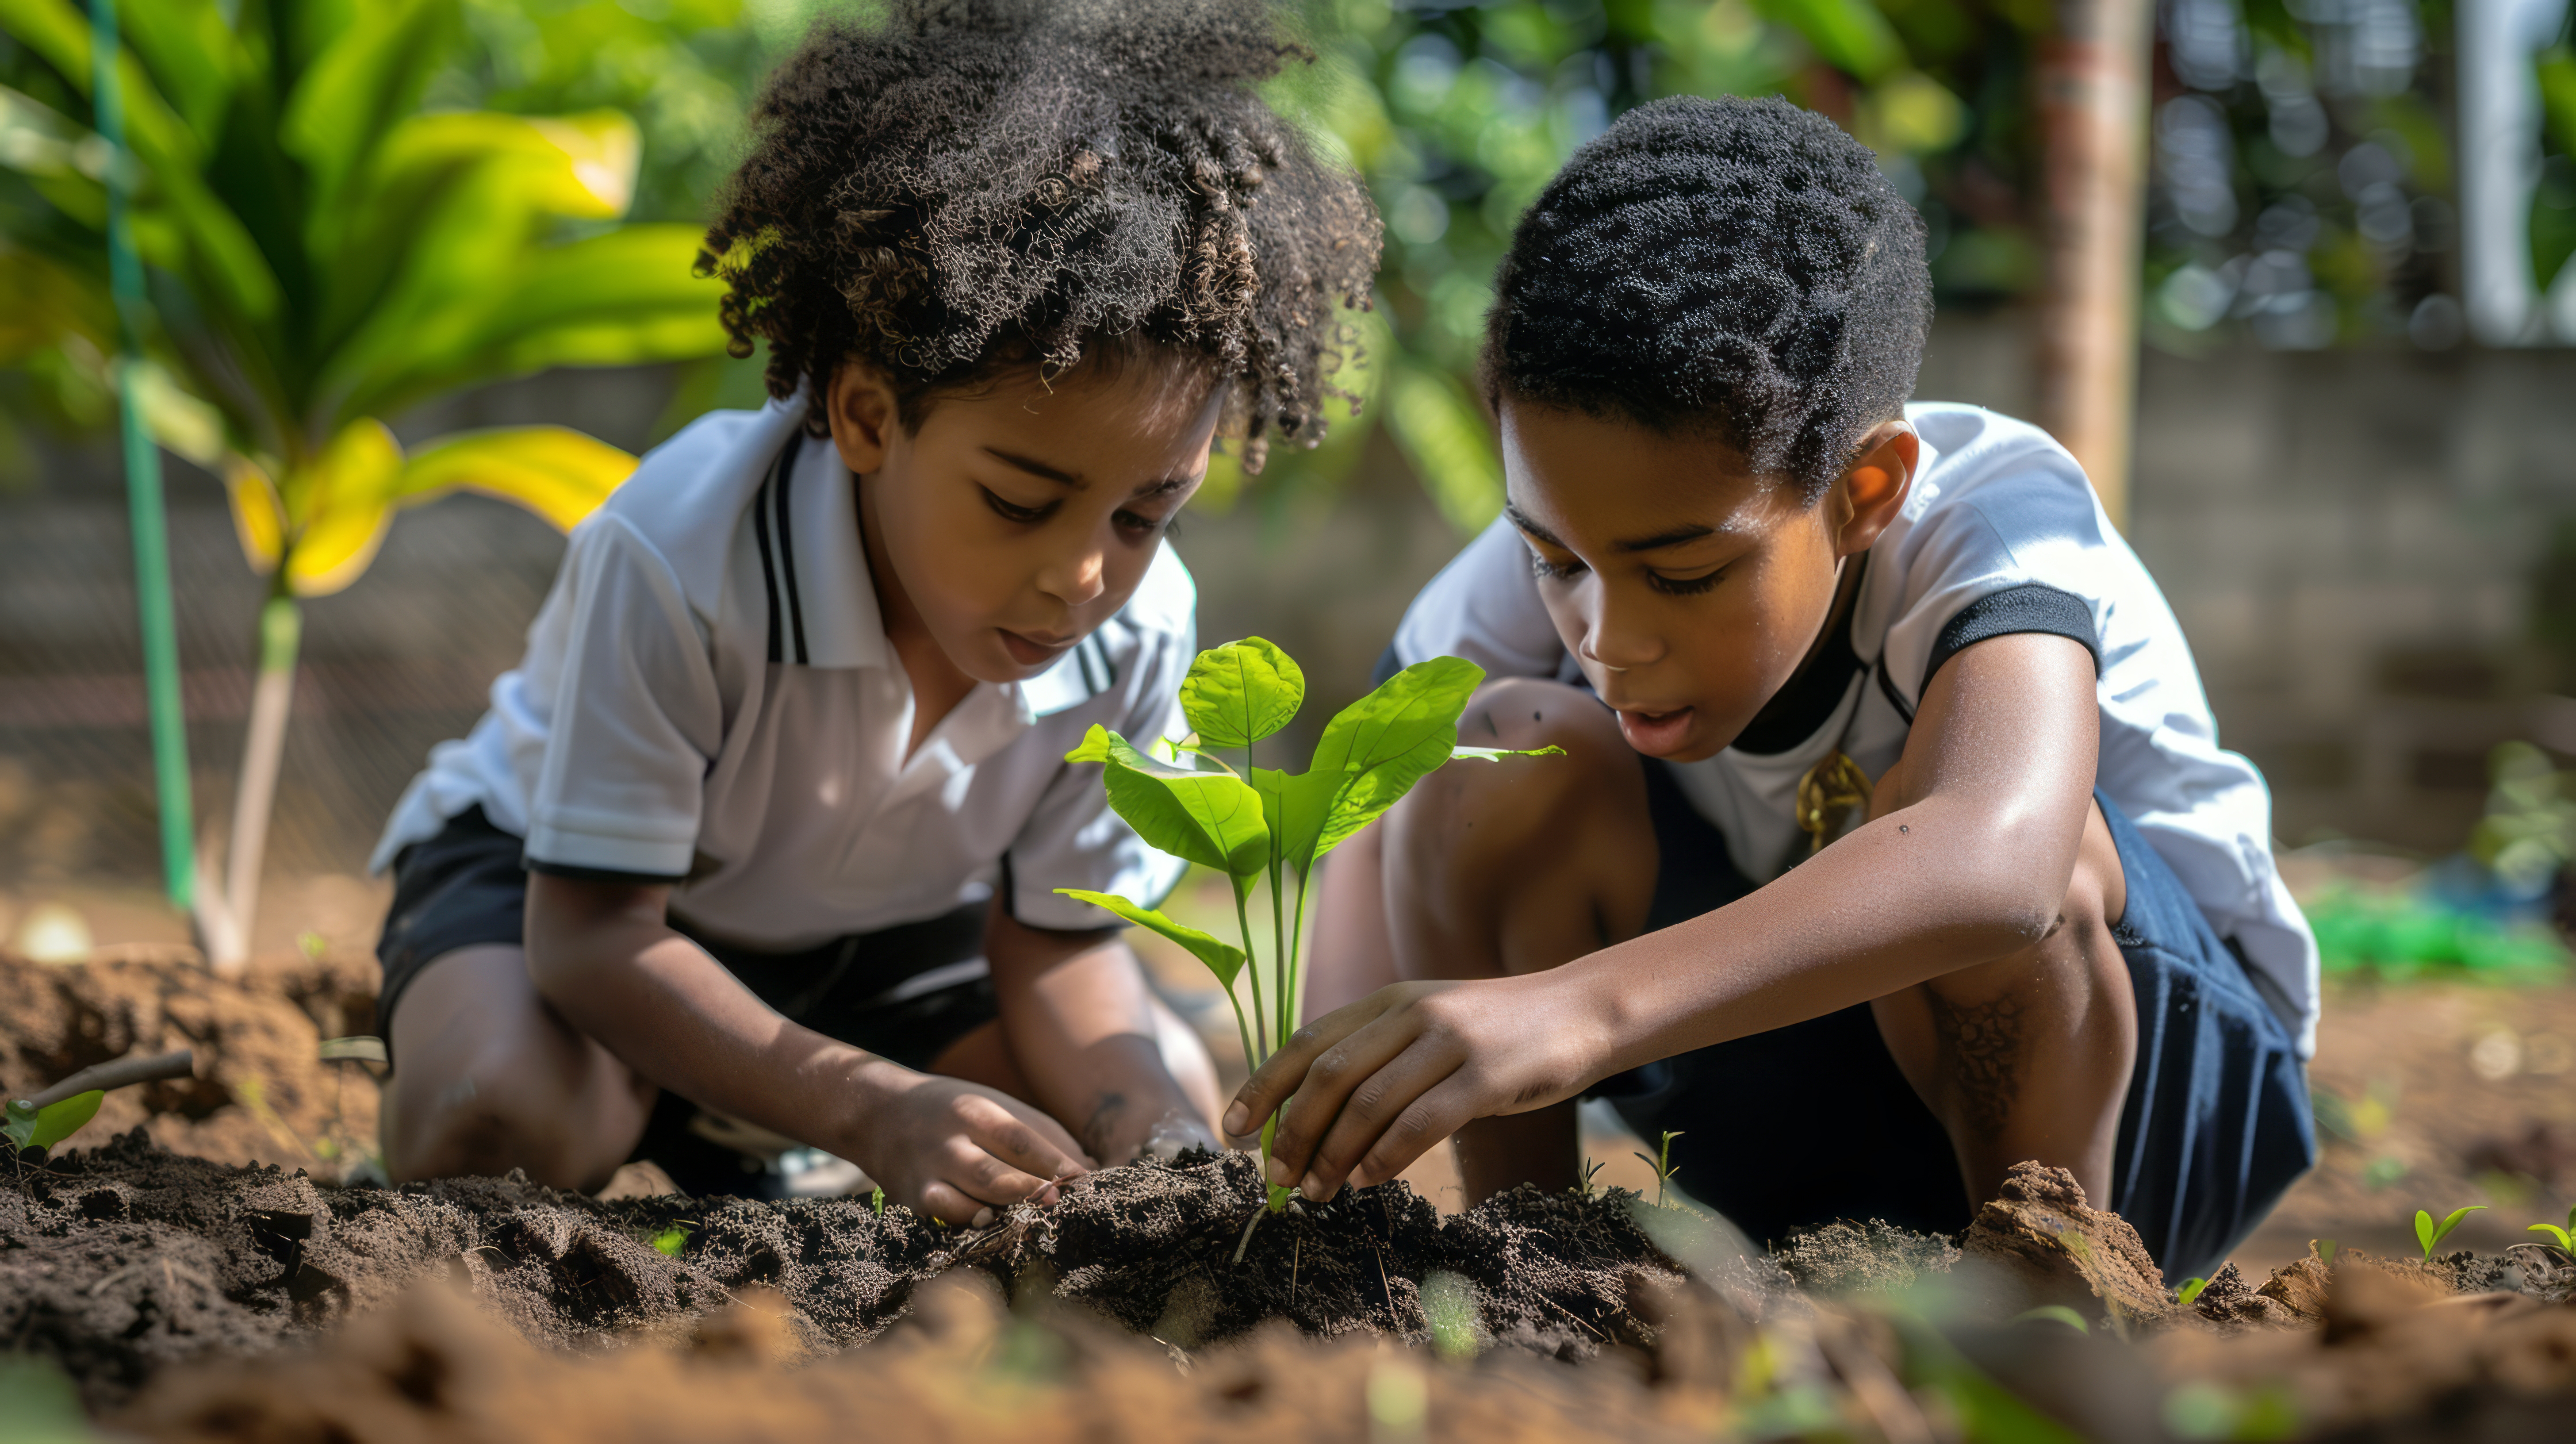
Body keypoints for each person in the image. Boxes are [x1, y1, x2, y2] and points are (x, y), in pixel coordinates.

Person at [1228, 96, 2314, 1281]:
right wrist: (1320, 1117)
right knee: (1495, 757)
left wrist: (1572, 1012)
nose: (1608, 635)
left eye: (1685, 574)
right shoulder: (1530, 577)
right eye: (1557, 561)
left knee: (1971, 830)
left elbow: (1997, 869)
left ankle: (2041, 1307)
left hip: (2160, 1114)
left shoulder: (1997, 520)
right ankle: (1527, 1279)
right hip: (1795, 1122)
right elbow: (1370, 879)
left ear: (1867, 492)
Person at [368, 0, 1380, 1223]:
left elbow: (1057, 949)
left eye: (1144, 515)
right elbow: (592, 937)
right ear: (865, 418)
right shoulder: (681, 556)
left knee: (1131, 1125)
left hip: (892, 939)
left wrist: (1163, 1155)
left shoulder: (1139, 626)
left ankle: (756, 1122)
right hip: (587, 909)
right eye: (1020, 503)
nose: (1084, 579)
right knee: (495, 1118)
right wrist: (867, 1109)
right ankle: (702, 1105)